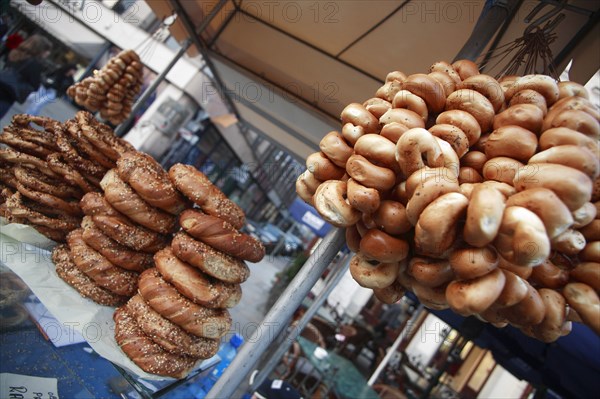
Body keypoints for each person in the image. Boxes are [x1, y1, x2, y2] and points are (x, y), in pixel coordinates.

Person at [0, 33, 52, 118]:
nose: (47, 53)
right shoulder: (35, 64)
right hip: (7, 96)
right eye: (46, 50)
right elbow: (35, 85)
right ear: (40, 49)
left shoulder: (15, 53)